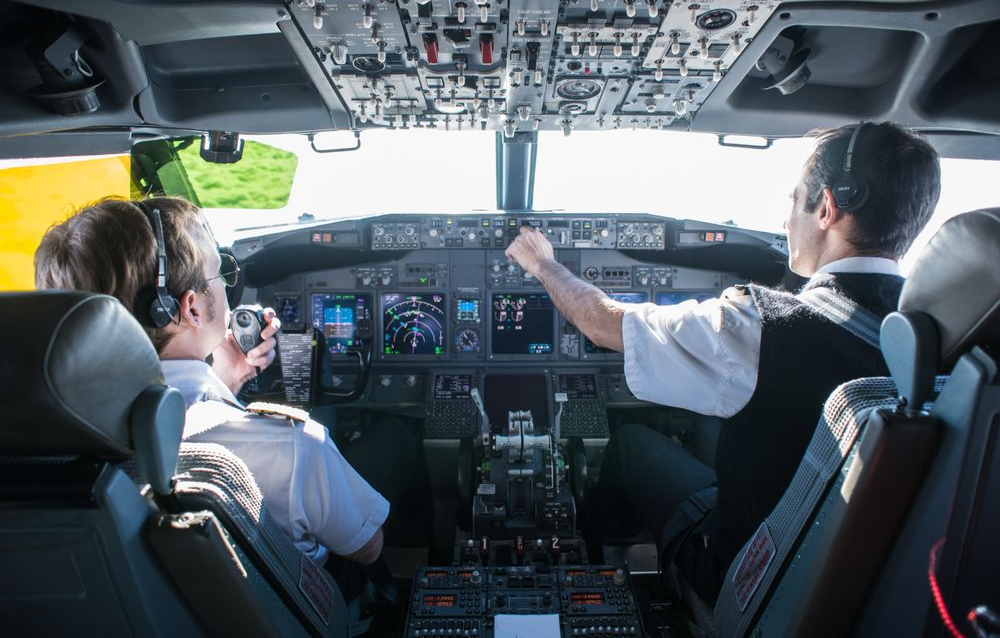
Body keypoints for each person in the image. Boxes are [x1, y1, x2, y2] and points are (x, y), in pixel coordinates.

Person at [504, 122, 941, 602]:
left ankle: (589, 557)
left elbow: (603, 323)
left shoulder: (759, 326)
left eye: (794, 200)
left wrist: (545, 265)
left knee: (630, 443)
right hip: (884, 587)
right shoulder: (950, 333)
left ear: (827, 209)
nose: (784, 219)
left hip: (750, 582)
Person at [34, 196, 418, 601]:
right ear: (192, 309)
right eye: (220, 275)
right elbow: (367, 544)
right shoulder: (293, 449)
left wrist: (226, 380)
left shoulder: (33, 449)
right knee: (395, 436)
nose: (226, 286)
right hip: (305, 601)